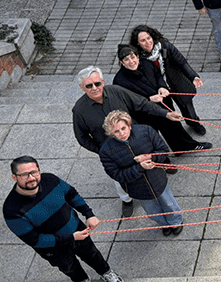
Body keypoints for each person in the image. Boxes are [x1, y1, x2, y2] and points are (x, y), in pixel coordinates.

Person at [72, 66, 210, 218]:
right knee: (120, 180)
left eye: (97, 83)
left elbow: (142, 103)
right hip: (114, 152)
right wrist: (103, 151)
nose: (94, 88)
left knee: (150, 168)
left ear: (103, 82)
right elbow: (82, 138)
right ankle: (127, 200)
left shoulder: (117, 91)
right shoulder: (79, 110)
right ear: (82, 87)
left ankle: (160, 184)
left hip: (136, 142)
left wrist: (166, 114)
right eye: (89, 86)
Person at [4, 156, 124, 282]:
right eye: (24, 175)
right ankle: (82, 281)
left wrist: (89, 214)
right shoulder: (12, 210)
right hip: (52, 248)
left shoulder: (50, 180)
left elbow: (71, 195)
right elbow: (35, 240)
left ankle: (106, 272)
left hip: (77, 229)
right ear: (14, 177)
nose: (31, 178)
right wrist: (71, 238)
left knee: (92, 253)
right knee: (69, 267)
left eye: (34, 172)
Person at [99, 111, 184, 237]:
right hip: (137, 187)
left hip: (157, 179)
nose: (122, 134)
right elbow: (117, 175)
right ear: (111, 133)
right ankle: (163, 224)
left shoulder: (146, 131)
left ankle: (176, 222)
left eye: (123, 128)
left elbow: (163, 151)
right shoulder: (106, 151)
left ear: (129, 126)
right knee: (152, 212)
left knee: (169, 204)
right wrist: (139, 168)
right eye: (116, 131)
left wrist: (151, 157)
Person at [129, 25, 209, 136]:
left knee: (187, 106)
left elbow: (182, 63)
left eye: (148, 38)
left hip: (175, 82)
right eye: (143, 40)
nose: (147, 42)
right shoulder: (136, 58)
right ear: (137, 43)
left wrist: (193, 77)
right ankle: (177, 132)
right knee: (167, 111)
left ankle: (194, 123)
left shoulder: (165, 47)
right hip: (158, 89)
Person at [113, 44, 172, 111]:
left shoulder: (147, 63)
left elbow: (158, 75)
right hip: (147, 113)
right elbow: (128, 102)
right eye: (126, 59)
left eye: (133, 57)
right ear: (122, 63)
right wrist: (148, 99)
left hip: (166, 106)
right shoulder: (119, 81)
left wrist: (162, 87)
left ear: (137, 57)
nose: (131, 62)